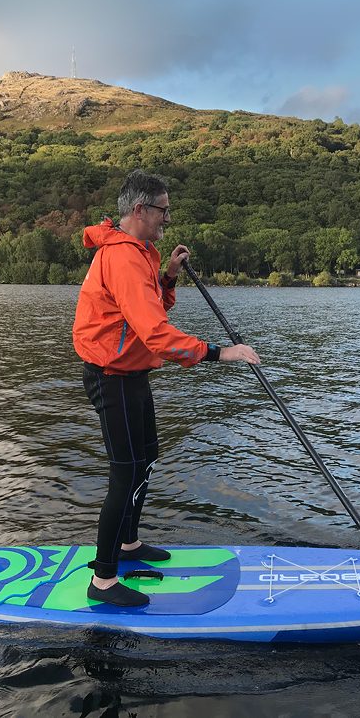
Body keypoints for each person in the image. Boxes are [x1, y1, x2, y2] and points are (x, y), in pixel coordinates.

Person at [73, 169, 261, 608]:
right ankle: (101, 581)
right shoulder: (122, 257)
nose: (167, 219)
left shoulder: (140, 252)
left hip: (132, 373)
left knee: (147, 458)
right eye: (163, 210)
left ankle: (129, 544)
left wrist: (169, 276)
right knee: (125, 472)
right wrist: (221, 354)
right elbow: (156, 333)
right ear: (140, 210)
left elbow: (149, 307)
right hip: (112, 376)